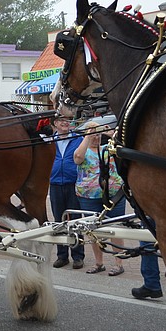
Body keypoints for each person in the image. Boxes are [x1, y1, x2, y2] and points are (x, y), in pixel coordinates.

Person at [74, 121, 125, 276]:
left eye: (97, 133)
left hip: (114, 195)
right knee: (92, 230)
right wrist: (87, 136)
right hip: (88, 196)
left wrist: (109, 133)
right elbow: (77, 158)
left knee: (116, 228)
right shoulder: (83, 150)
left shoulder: (107, 149)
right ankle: (99, 262)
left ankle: (118, 262)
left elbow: (122, 147)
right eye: (92, 133)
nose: (95, 137)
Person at [48, 115, 85, 269]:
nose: (65, 123)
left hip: (73, 184)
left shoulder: (78, 138)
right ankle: (62, 256)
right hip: (55, 184)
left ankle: (78, 256)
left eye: (67, 120)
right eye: (61, 120)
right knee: (59, 221)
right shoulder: (49, 141)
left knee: (76, 221)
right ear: (55, 124)